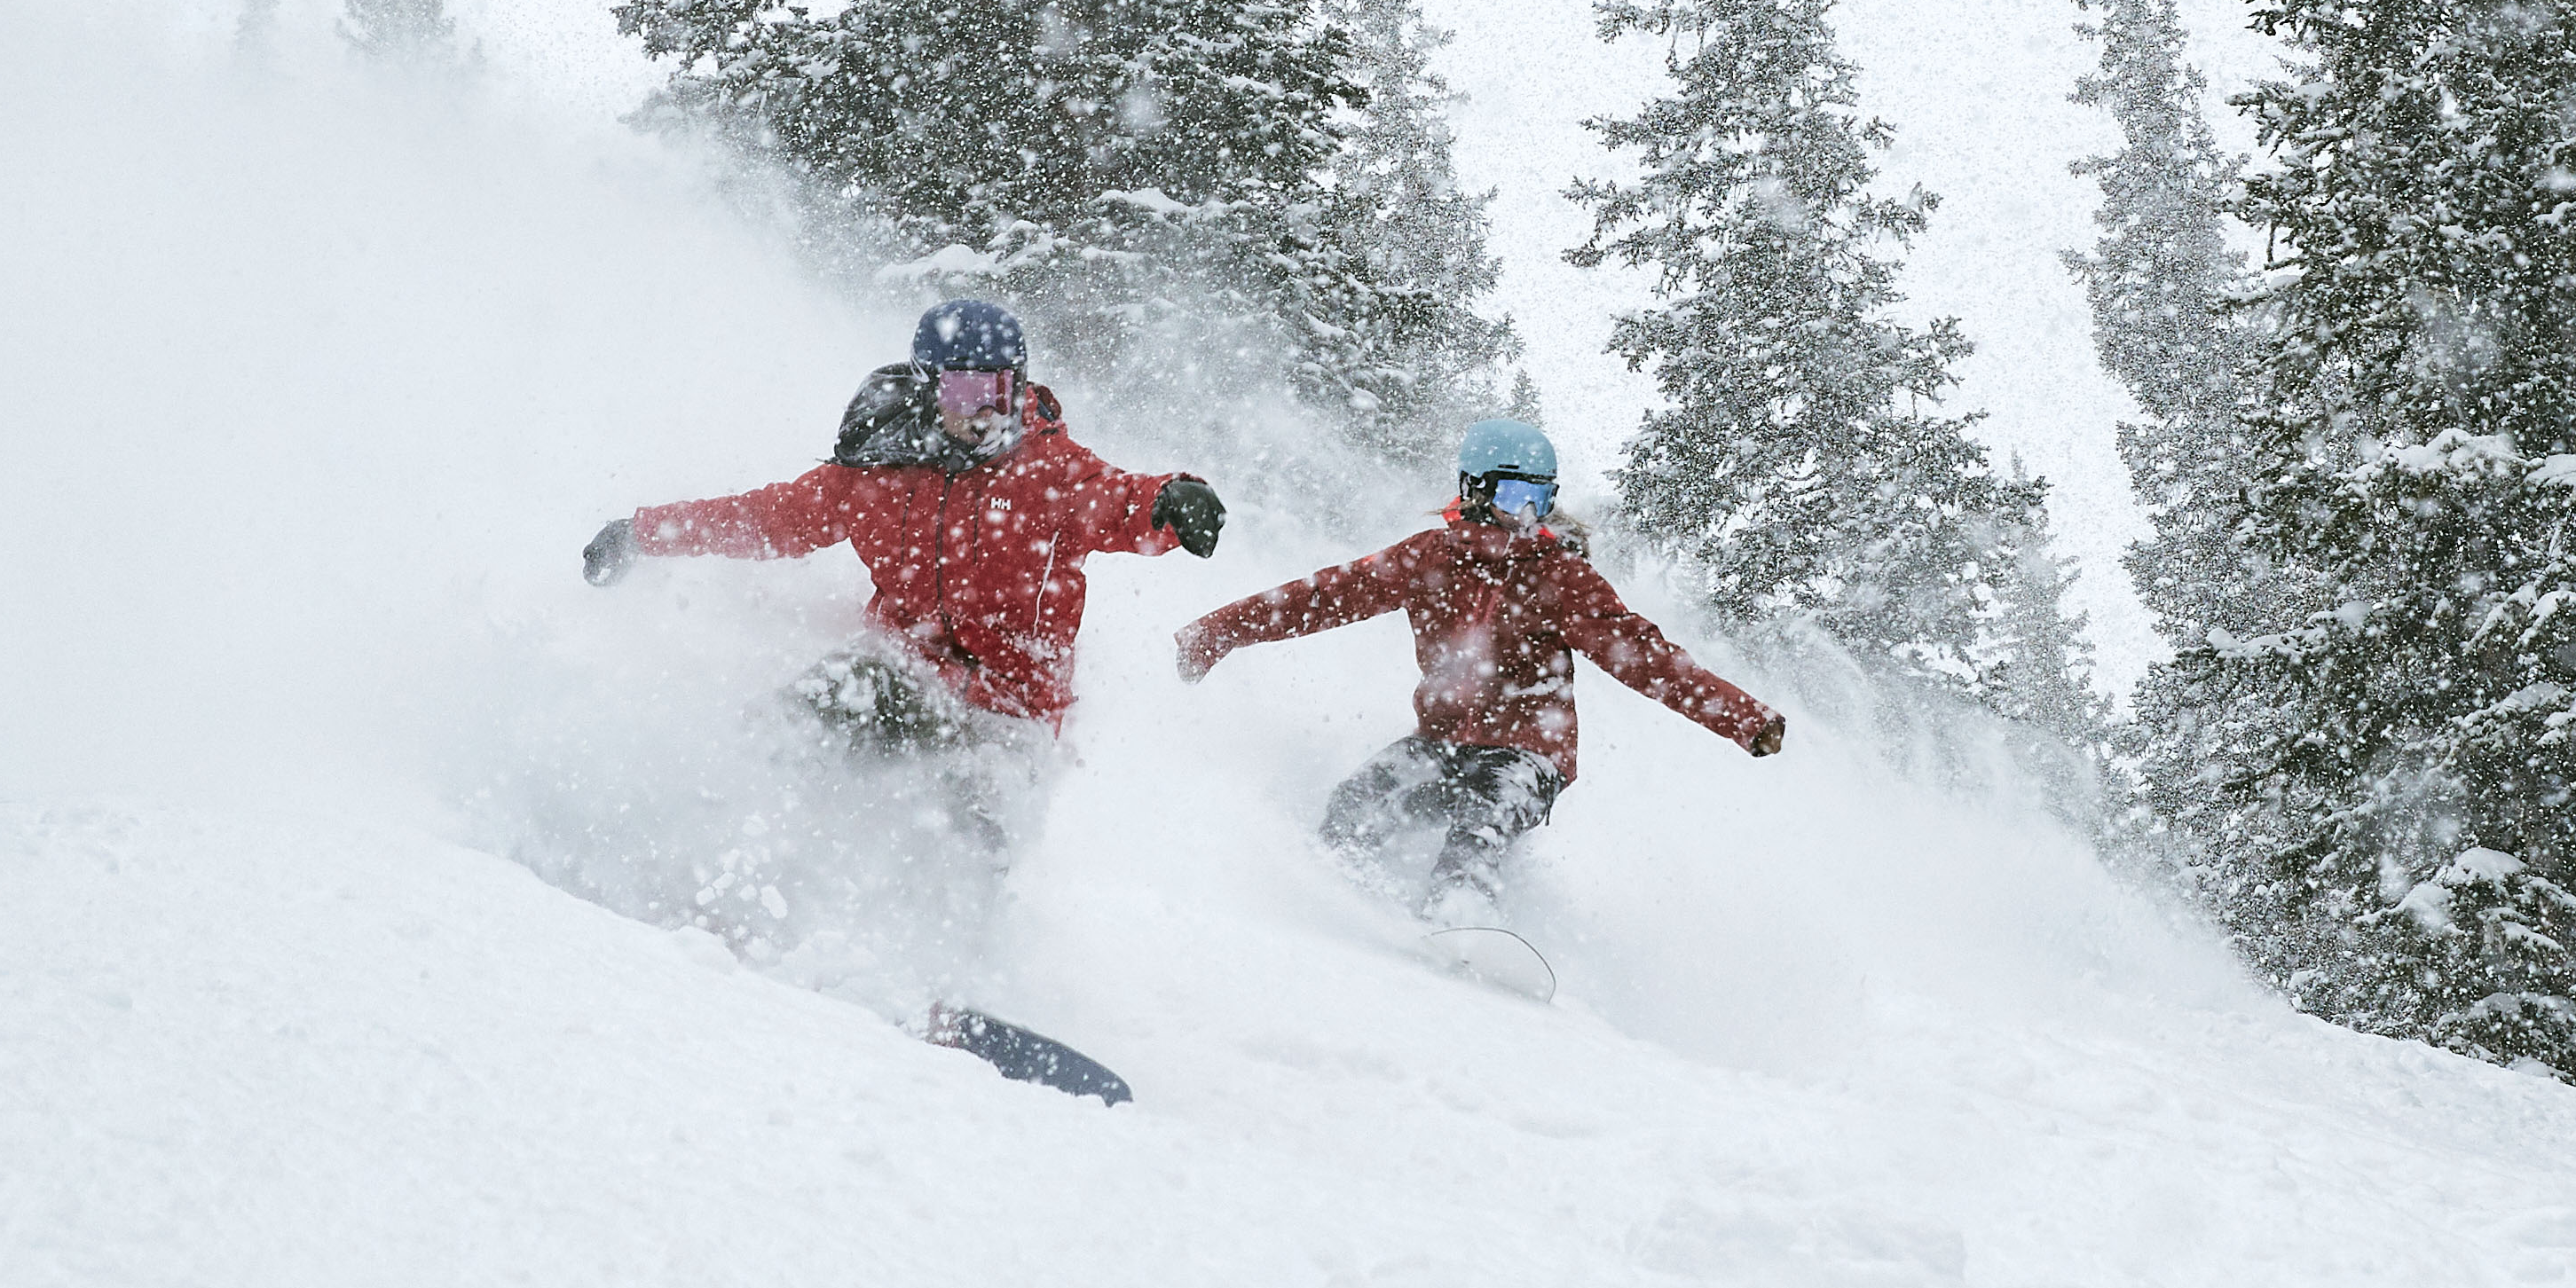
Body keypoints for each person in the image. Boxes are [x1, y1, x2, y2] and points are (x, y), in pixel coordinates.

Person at [1170, 415, 1786, 917]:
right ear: (1475, 491)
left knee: (1479, 830)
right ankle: (1337, 901)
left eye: (1541, 499)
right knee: (1355, 805)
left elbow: (1644, 656)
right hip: (1439, 743)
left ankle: (1461, 920)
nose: (1528, 514)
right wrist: (1219, 632)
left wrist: (1742, 718)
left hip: (1529, 753)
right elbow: (1324, 595)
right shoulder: (1428, 559)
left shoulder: (1561, 576)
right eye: (1516, 496)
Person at [582, 298, 1225, 736]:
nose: (985, 414)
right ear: (928, 390)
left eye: (1000, 393)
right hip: (900, 673)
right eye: (965, 394)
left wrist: (1173, 501)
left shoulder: (1047, 472)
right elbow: (767, 520)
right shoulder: (877, 476)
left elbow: (1119, 499)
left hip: (1011, 713)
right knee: (801, 718)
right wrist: (643, 533)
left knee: (962, 813)